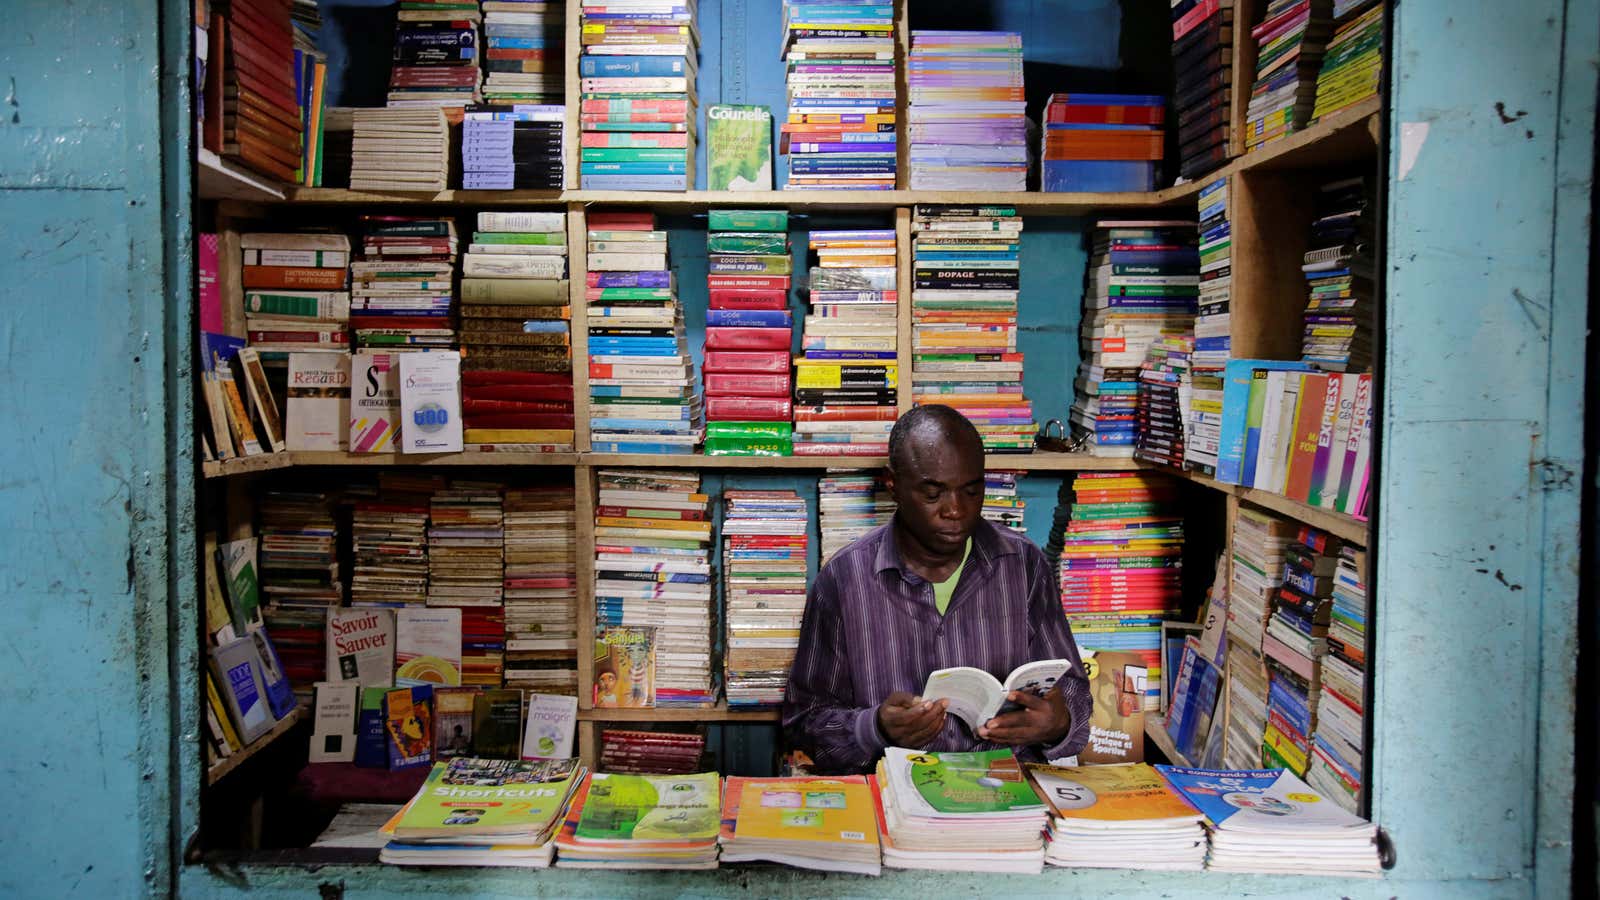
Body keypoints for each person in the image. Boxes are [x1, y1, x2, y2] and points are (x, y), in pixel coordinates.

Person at [782, 405, 1093, 774]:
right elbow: (804, 722)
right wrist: (875, 728)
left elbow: (1073, 690)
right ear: (893, 485)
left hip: (1005, 793)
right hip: (893, 793)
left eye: (972, 491)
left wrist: (1056, 723)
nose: (956, 510)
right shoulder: (845, 578)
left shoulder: (1023, 565)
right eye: (933, 494)